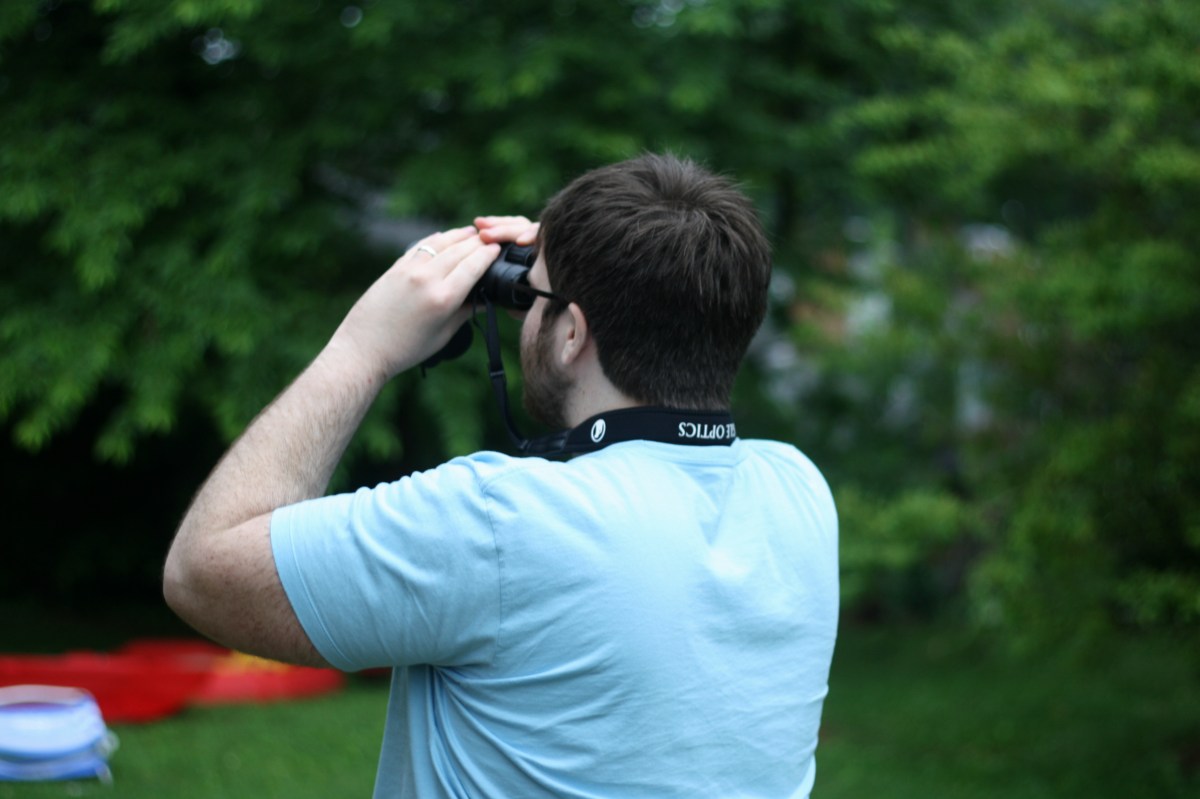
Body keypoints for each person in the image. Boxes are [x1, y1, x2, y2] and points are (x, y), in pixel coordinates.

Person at [164, 153, 839, 798]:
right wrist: (600, 277)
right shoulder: (797, 491)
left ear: (572, 334)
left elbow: (201, 570)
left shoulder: (499, 521)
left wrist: (361, 350)